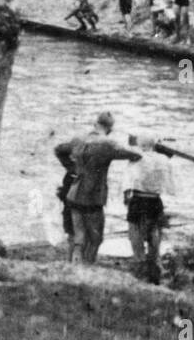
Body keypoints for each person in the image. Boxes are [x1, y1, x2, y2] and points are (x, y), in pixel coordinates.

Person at [54, 112, 141, 264]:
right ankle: (87, 266)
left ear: (96, 124)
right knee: (96, 238)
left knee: (78, 234)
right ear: (110, 129)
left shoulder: (78, 139)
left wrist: (72, 168)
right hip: (94, 195)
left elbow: (59, 150)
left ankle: (75, 266)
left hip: (74, 193)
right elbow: (135, 155)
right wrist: (135, 145)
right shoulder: (108, 144)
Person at [123, 136, 174, 284]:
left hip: (138, 200)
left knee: (135, 235)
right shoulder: (163, 159)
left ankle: (140, 269)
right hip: (155, 200)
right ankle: (154, 272)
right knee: (154, 236)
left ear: (141, 145)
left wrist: (126, 197)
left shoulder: (136, 157)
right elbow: (170, 184)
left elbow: (127, 182)